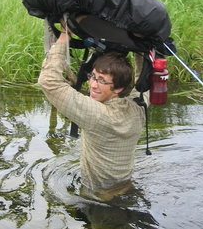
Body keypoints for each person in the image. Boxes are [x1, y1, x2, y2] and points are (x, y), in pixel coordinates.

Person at [38, 28, 148, 195]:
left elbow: (48, 81)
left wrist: (64, 35)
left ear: (118, 88)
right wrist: (140, 50)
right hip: (126, 188)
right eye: (93, 76)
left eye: (102, 81)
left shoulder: (97, 115)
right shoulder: (138, 108)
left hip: (99, 196)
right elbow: (145, 84)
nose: (93, 85)